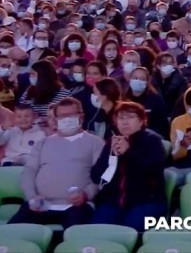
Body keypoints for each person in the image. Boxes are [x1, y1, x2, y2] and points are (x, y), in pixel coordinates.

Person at [9, 97, 104, 228]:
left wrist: (86, 194)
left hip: (76, 206)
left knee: (73, 237)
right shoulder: (43, 143)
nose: (67, 119)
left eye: (71, 115)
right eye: (62, 116)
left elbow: (101, 175)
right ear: (56, 119)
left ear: (81, 117)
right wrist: (32, 197)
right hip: (41, 204)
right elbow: (29, 171)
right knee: (11, 232)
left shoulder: (95, 142)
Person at [90, 101, 167, 231]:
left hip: (146, 201)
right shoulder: (112, 142)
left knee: (130, 229)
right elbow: (96, 176)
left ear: (142, 120)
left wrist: (128, 152)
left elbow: (152, 172)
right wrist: (111, 156)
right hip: (113, 201)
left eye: (130, 117)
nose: (125, 122)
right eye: (121, 118)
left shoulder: (152, 140)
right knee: (97, 230)